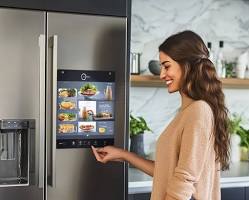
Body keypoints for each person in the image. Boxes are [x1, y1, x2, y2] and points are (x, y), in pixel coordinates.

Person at [91, 30, 230, 200]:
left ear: (187, 65)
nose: (162, 74)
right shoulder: (190, 111)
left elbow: (184, 180)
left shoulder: (198, 111)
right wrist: (122, 155)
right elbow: (168, 171)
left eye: (167, 65)